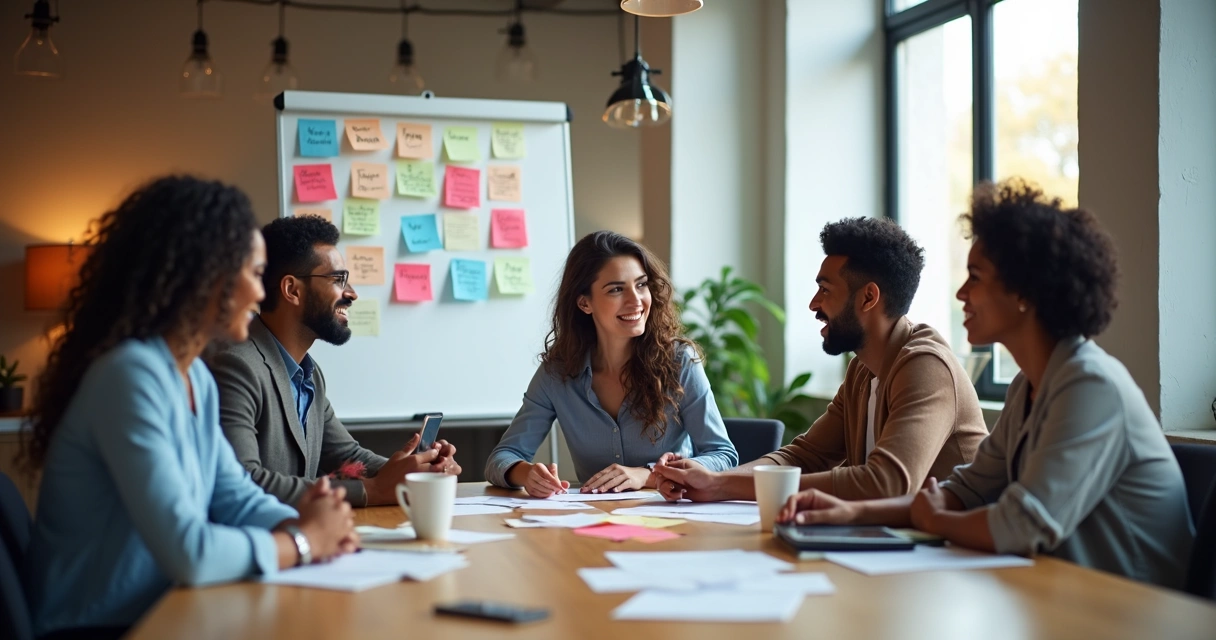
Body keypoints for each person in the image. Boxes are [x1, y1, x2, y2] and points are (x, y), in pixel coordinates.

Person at [778, 179, 1193, 589]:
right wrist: (849, 514)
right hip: (1065, 598)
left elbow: (1021, 523)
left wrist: (935, 519)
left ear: (1024, 291)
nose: (961, 293)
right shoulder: (1027, 387)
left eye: (975, 276)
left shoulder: (1090, 386)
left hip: (1134, 613)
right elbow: (967, 488)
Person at [23, 176, 356, 639]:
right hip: (105, 626)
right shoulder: (129, 377)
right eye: (250, 274)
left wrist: (314, 526)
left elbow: (232, 495)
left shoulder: (193, 374)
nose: (260, 294)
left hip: (166, 609)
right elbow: (189, 550)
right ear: (202, 276)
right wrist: (303, 541)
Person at [654, 217, 987, 502]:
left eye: (825, 290)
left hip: (951, 558)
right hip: (892, 549)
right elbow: (805, 455)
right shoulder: (863, 369)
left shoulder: (926, 366)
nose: (814, 304)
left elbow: (887, 484)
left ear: (869, 297)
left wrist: (721, 484)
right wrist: (710, 481)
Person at [209, 215, 460, 508]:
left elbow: (349, 456)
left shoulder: (308, 375)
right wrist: (372, 490)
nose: (352, 293)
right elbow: (244, 480)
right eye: (338, 279)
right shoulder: (238, 365)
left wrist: (421, 470)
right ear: (292, 290)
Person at [485, 231, 738, 497]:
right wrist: (527, 473)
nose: (636, 300)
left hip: (671, 517)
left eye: (641, 285)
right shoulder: (557, 374)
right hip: (592, 523)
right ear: (585, 303)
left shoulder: (679, 361)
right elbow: (502, 457)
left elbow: (723, 455)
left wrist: (647, 475)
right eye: (617, 289)